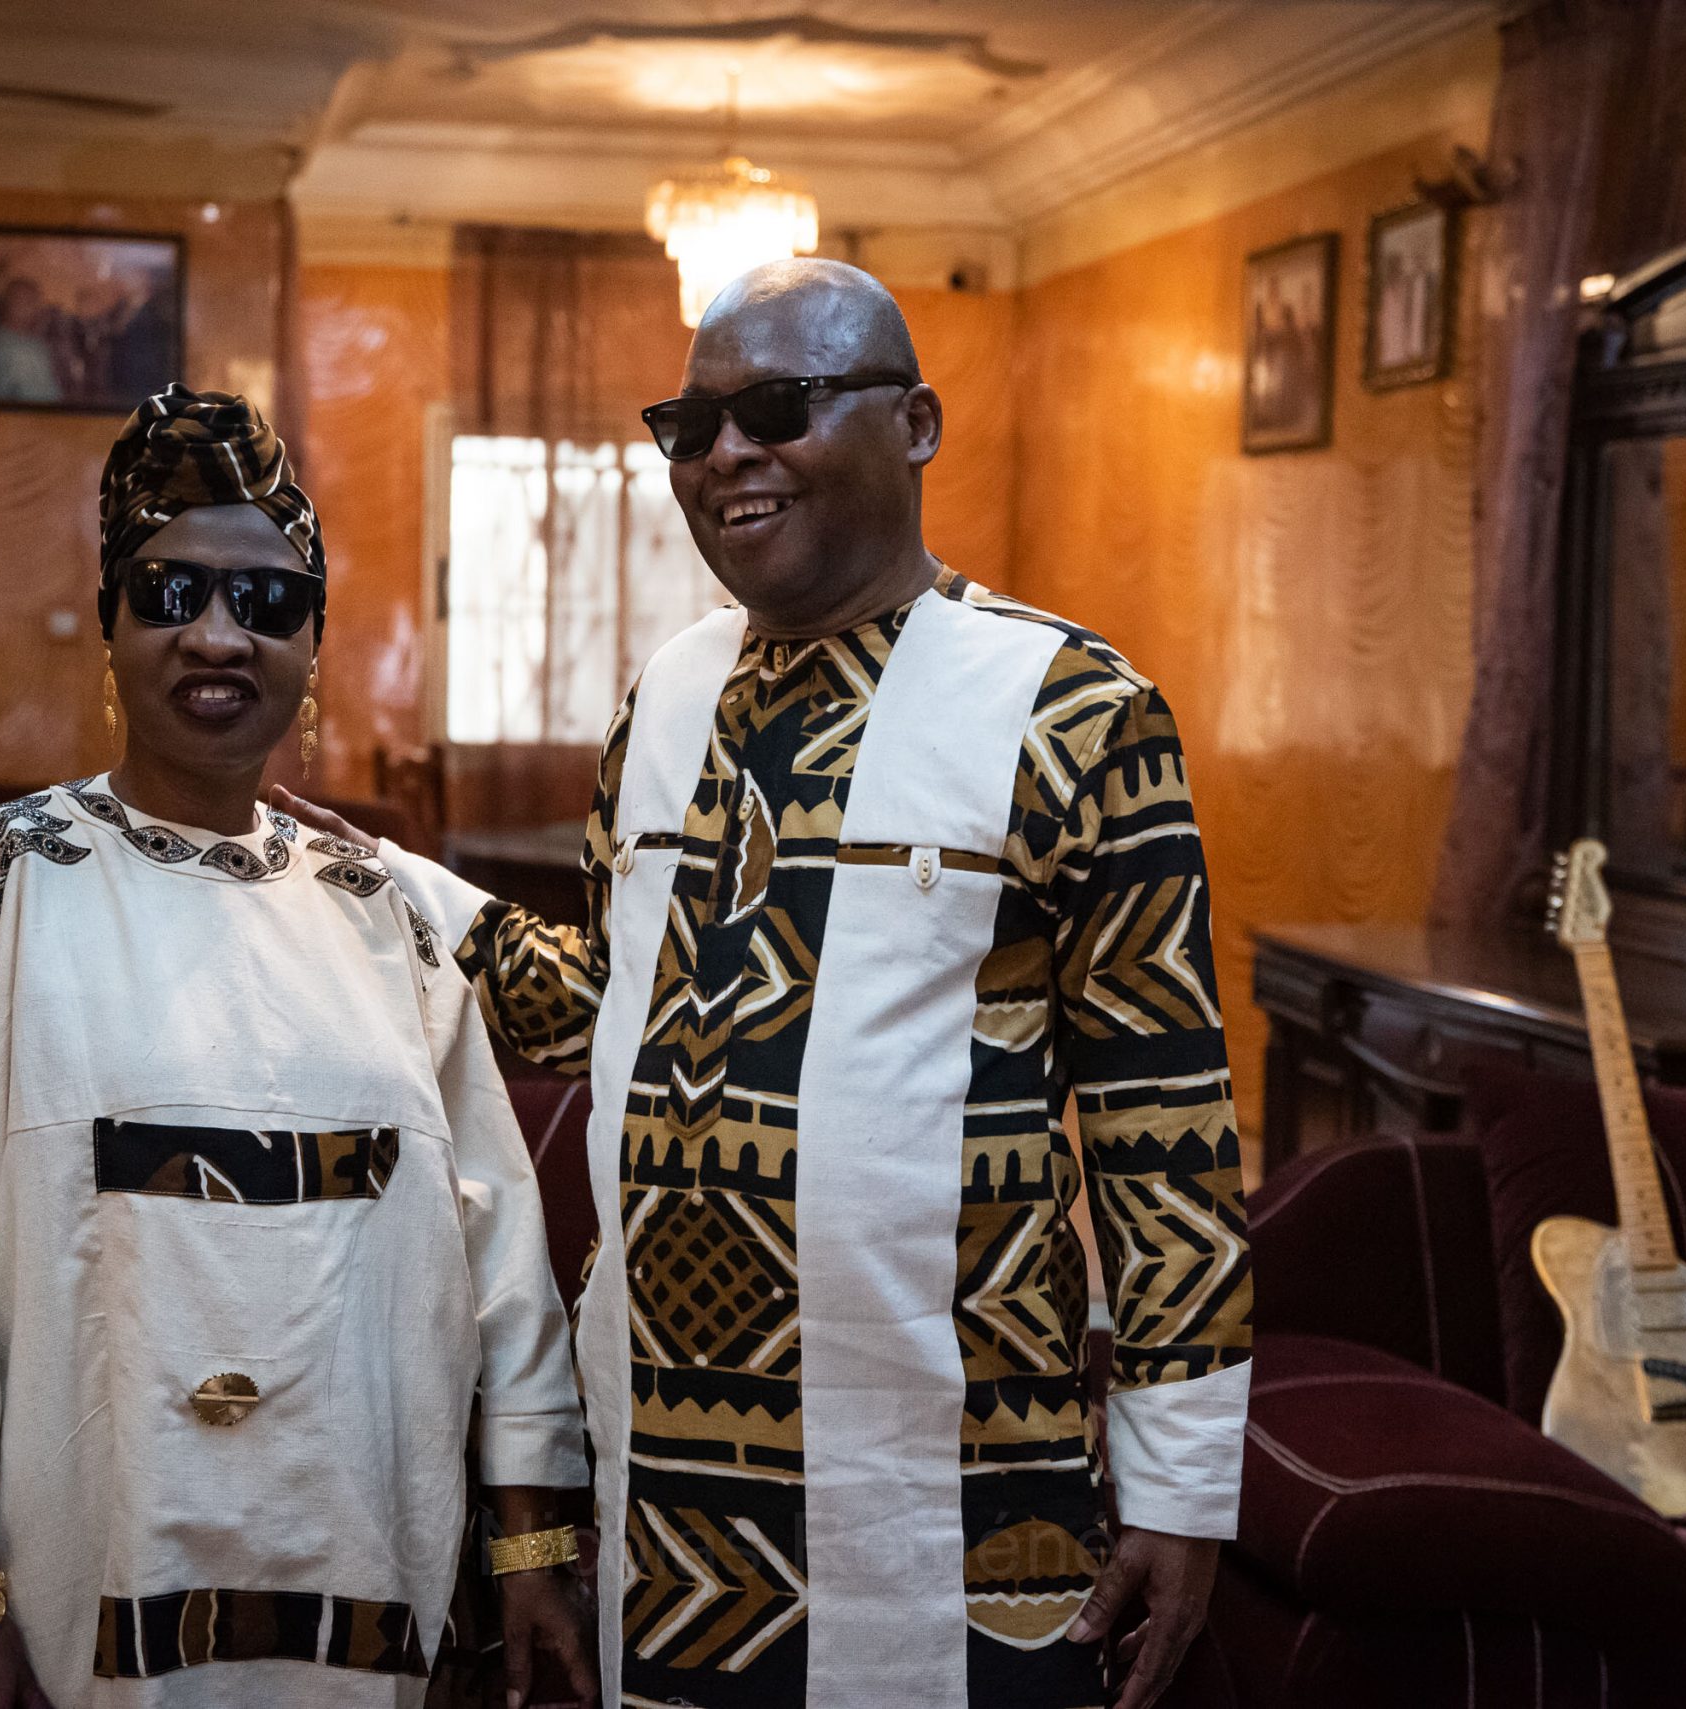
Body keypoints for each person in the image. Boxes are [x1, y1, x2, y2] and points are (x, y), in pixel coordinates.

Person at [276, 261, 1253, 1709]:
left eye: (780, 408)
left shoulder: (1071, 711)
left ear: (917, 423)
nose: (728, 451)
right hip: (674, 1509)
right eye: (692, 423)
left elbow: (1162, 1125)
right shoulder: (664, 697)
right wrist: (393, 888)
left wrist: (1182, 1488)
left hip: (955, 1496)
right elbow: (598, 1001)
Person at [0, 386, 596, 1709]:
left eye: (265, 603)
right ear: (112, 625)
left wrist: (535, 1549)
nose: (218, 635)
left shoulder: (386, 912)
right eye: (171, 591)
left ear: (314, 641)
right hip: (66, 1589)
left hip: (365, 1578)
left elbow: (499, 1261)